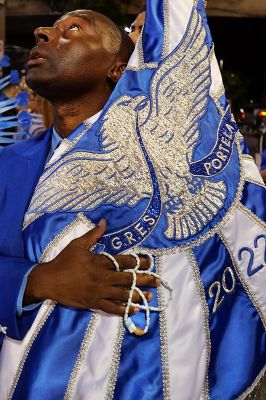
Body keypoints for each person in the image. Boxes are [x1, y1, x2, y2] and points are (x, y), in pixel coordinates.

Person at [0, 1, 265, 399]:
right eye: (50, 27)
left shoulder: (169, 158)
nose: (43, 33)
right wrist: (36, 281)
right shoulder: (7, 164)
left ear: (118, 70)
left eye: (73, 29)